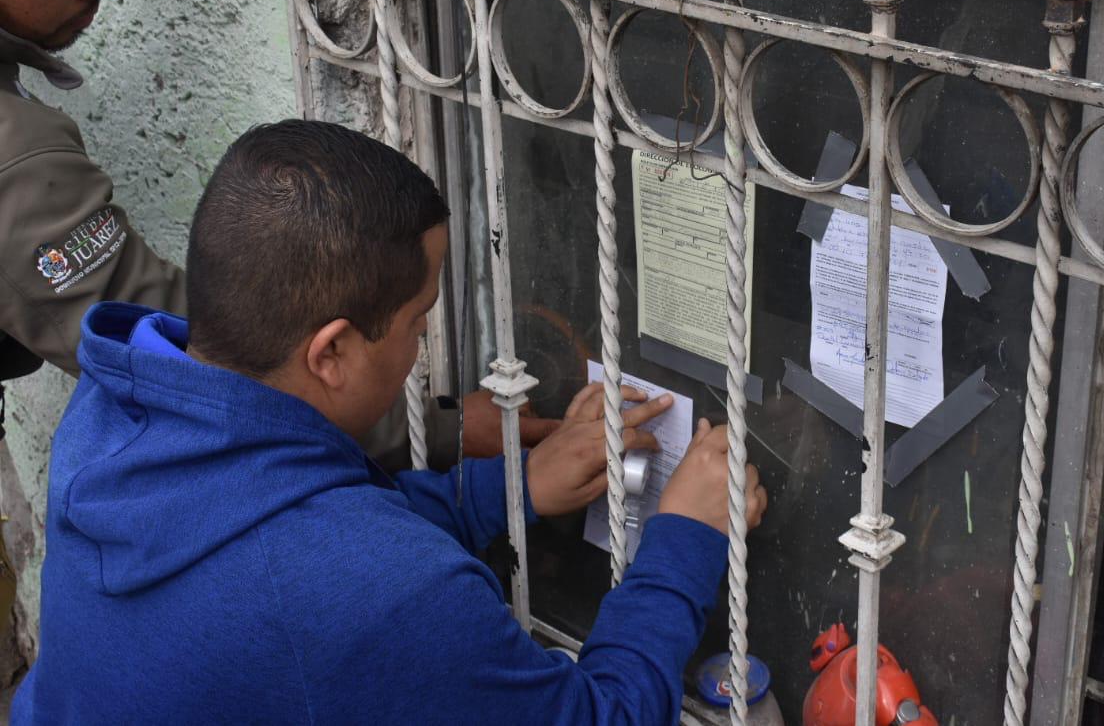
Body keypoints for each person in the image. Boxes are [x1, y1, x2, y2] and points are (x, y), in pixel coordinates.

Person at [12, 120, 768, 724]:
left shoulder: (113, 408)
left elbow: (296, 518)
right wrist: (684, 538)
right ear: (332, 352)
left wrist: (508, 488)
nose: (422, 345)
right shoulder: (380, 596)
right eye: (418, 321)